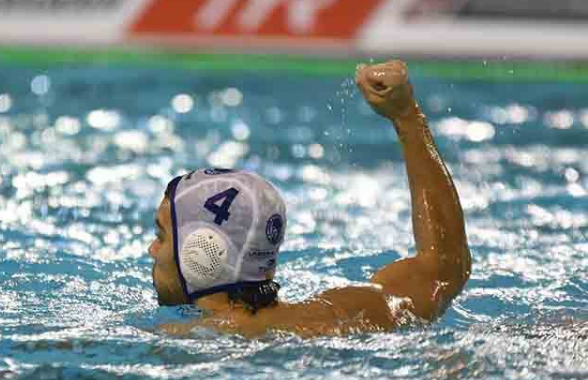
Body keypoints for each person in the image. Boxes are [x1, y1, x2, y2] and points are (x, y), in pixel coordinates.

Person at [147, 60, 472, 337]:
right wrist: (405, 116)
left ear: (202, 252)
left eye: (162, 234)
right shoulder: (342, 314)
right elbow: (444, 269)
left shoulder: (187, 343)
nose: (153, 249)